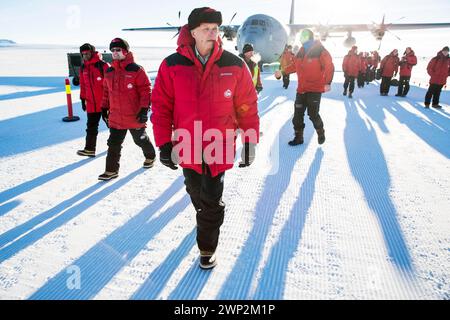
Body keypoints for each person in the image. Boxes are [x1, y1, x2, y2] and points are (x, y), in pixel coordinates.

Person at [151, 7, 260, 269]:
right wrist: (164, 143)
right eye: (206, 29)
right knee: (195, 191)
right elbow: (161, 107)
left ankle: (207, 247)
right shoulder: (172, 65)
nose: (213, 33)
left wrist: (250, 141)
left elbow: (247, 105)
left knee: (211, 200)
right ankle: (206, 215)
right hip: (187, 144)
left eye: (216, 29)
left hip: (218, 146)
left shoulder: (233, 64)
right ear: (192, 32)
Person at [99, 38, 156, 181]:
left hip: (134, 116)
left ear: (125, 51)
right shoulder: (110, 71)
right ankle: (111, 170)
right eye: (113, 50)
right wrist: (104, 108)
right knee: (113, 144)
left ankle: (150, 156)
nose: (115, 53)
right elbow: (106, 92)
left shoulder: (136, 69)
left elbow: (146, 91)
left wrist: (144, 110)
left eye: (118, 50)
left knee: (140, 140)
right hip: (116, 117)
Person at [283, 28, 334, 146]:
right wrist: (282, 71)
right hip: (301, 90)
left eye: (303, 35)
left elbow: (329, 66)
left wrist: (328, 82)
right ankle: (298, 138)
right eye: (301, 36)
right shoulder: (300, 51)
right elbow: (294, 66)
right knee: (297, 116)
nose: (301, 38)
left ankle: (320, 132)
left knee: (313, 114)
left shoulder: (320, 50)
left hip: (314, 90)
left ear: (309, 37)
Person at [77, 43, 109, 157]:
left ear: (92, 52)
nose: (85, 55)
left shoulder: (103, 66)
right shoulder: (83, 67)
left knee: (112, 126)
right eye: (83, 54)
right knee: (91, 127)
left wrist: (110, 101)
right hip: (91, 103)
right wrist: (82, 99)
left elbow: (111, 85)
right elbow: (83, 85)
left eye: (87, 53)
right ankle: (89, 149)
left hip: (105, 103)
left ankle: (114, 146)